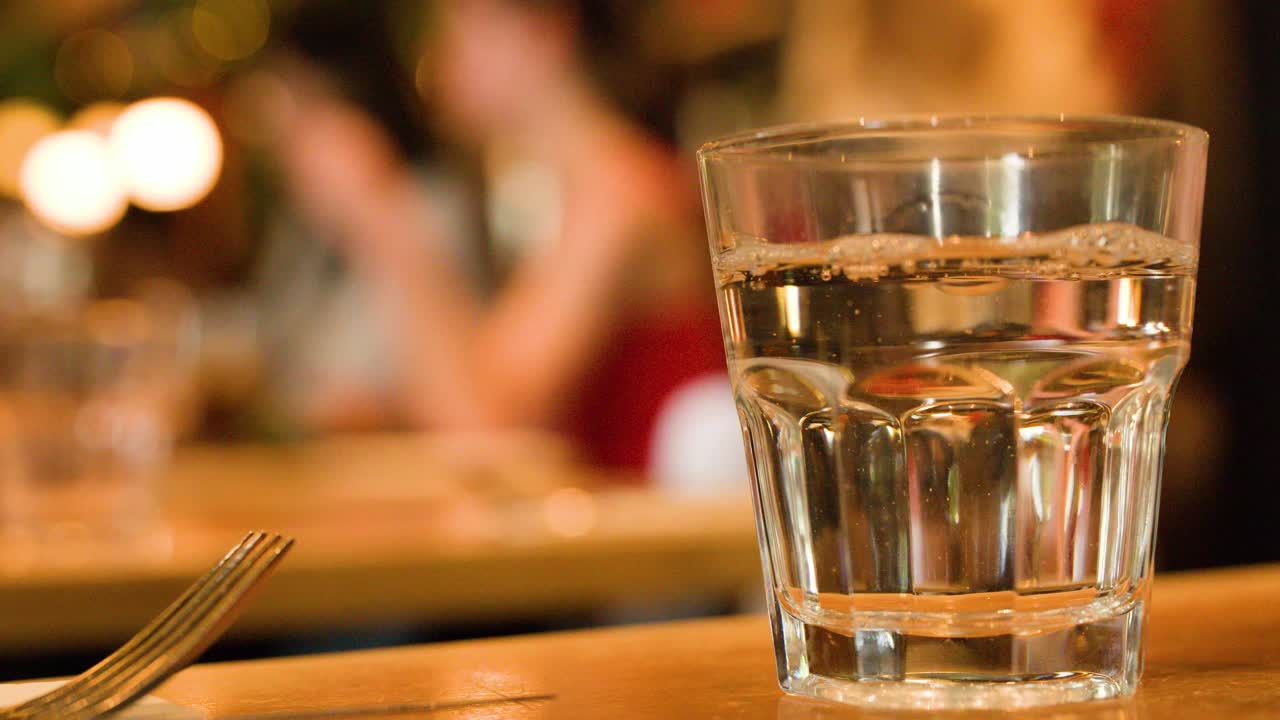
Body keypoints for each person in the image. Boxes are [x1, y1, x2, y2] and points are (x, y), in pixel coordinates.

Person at [264, 0, 724, 473]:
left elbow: (487, 430)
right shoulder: (558, 191)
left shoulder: (621, 189)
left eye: (462, 30)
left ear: (545, 32)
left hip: (645, 537)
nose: (440, 59)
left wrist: (380, 216)